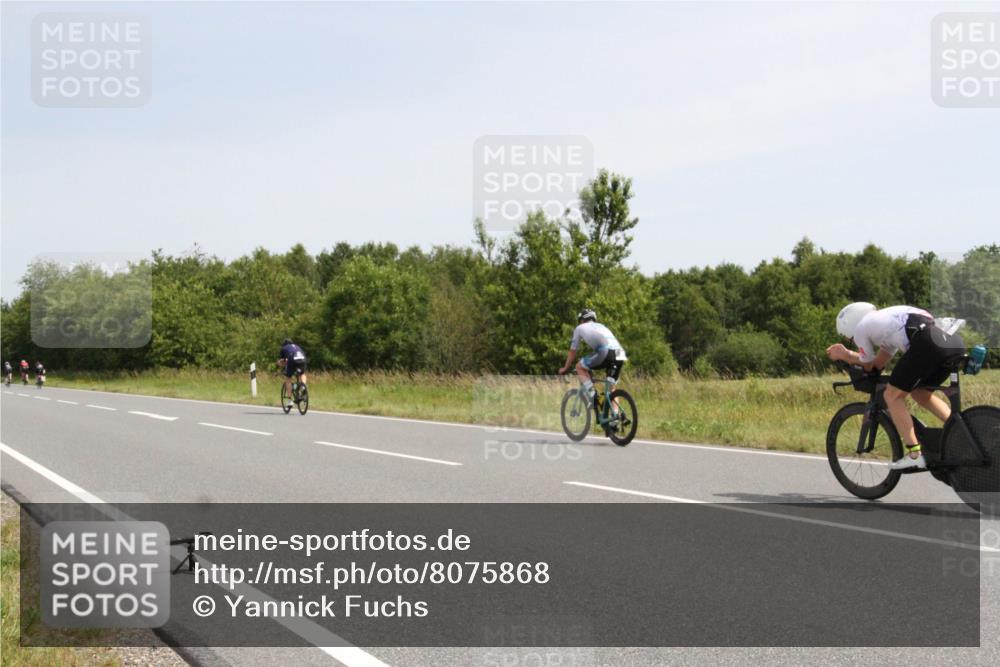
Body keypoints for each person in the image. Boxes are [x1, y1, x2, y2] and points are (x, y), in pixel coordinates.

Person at [826, 303, 964, 470]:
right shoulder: (885, 322)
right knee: (921, 394)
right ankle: (960, 432)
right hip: (952, 341)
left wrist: (845, 354)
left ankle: (915, 455)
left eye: (850, 339)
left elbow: (866, 361)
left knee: (891, 396)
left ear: (850, 327)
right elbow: (877, 363)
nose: (854, 341)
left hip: (927, 342)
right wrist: (859, 361)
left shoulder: (861, 327)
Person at [558, 309, 627, 402]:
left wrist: (565, 368)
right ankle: (616, 413)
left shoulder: (580, 328)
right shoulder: (602, 326)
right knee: (611, 388)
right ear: (594, 319)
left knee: (579, 367)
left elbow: (573, 351)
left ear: (581, 320)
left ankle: (593, 396)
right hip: (620, 353)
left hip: (605, 351)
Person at [277, 338, 308, 406]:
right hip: (302, 358)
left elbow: (283, 361)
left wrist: (279, 363)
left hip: (292, 359)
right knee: (302, 374)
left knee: (288, 379)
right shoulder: (297, 346)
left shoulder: (284, 348)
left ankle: (289, 400)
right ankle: (303, 386)